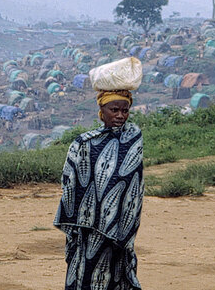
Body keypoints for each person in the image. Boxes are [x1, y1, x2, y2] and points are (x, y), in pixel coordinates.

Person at [54, 89, 143, 290]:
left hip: (120, 225)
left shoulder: (133, 138)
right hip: (89, 225)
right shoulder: (84, 143)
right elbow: (69, 181)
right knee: (85, 272)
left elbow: (134, 184)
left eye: (125, 110)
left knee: (117, 273)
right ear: (102, 110)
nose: (120, 115)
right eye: (114, 110)